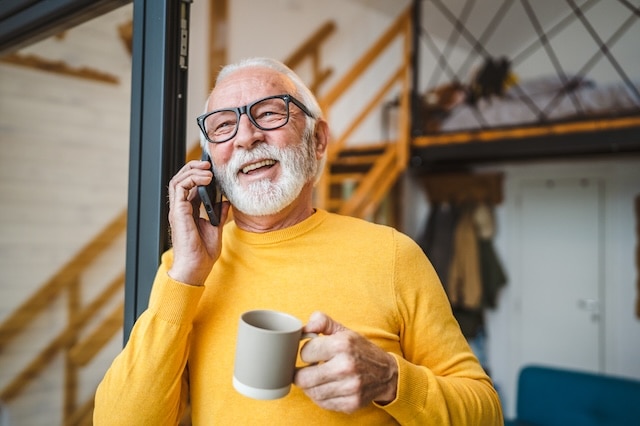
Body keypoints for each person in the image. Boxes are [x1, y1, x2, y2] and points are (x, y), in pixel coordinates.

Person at [94, 57, 503, 425]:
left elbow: (486, 412)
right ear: (209, 161)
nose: (246, 136)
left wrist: (391, 380)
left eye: (269, 114)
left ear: (318, 139)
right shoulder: (184, 270)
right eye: (223, 125)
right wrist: (185, 277)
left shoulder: (393, 254)